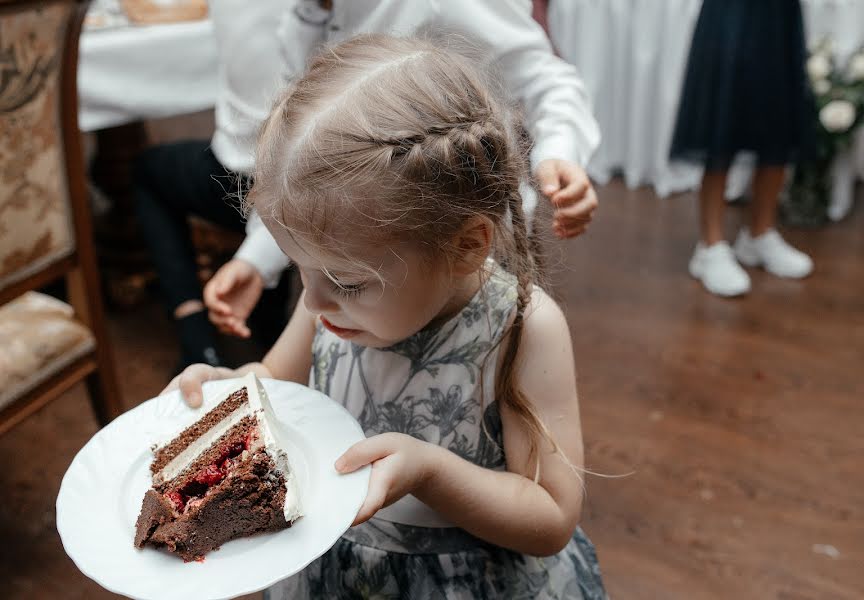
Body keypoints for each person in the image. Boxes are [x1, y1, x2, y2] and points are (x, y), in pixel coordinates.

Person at [165, 34, 606, 599]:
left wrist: (431, 472)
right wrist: (232, 390)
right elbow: (276, 383)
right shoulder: (328, 299)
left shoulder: (521, 328)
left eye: (347, 281)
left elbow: (551, 518)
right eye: (301, 269)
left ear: (466, 245)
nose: (314, 301)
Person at [203, 0, 601, 340]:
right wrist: (258, 258)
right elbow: (308, 159)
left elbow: (545, 78)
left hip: (448, 242)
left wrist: (558, 153)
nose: (312, 302)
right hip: (360, 258)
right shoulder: (309, 10)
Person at [133, 0, 294, 371]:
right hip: (281, 188)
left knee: (149, 171)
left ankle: (195, 339)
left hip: (272, 185)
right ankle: (258, 321)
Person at [670, 0, 815, 297]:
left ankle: (760, 234)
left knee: (779, 111)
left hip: (780, 12)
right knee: (723, 109)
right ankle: (710, 246)